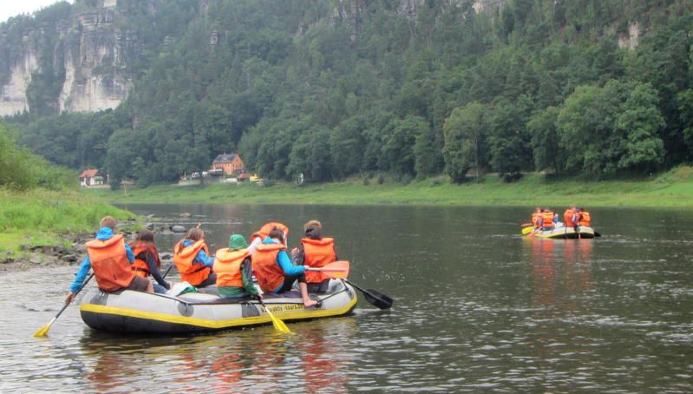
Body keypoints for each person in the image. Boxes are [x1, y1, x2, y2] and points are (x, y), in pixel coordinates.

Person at [65, 216, 153, 304]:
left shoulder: (93, 248)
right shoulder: (120, 243)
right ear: (114, 229)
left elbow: (82, 271)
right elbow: (131, 260)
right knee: (148, 283)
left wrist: (73, 291)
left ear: (100, 228)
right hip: (124, 284)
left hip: (105, 287)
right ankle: (150, 309)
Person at [252, 227, 318, 307]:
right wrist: (303, 267)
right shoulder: (279, 251)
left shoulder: (258, 250)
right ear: (282, 239)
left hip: (264, 288)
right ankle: (306, 300)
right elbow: (289, 270)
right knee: (300, 272)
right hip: (277, 287)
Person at [292, 220, 337, 294]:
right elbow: (335, 262)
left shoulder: (305, 247)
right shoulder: (330, 246)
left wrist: (294, 256)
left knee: (291, 283)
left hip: (308, 285)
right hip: (324, 285)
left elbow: (297, 269)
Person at [213, 234, 259, 300]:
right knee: (255, 290)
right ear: (243, 244)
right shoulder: (245, 259)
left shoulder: (220, 257)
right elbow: (247, 283)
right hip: (237, 293)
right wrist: (255, 293)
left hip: (222, 293)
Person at [129, 229, 171, 294]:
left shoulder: (130, 248)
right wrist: (166, 285)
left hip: (127, 280)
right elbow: (154, 272)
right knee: (162, 290)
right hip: (138, 281)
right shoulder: (148, 250)